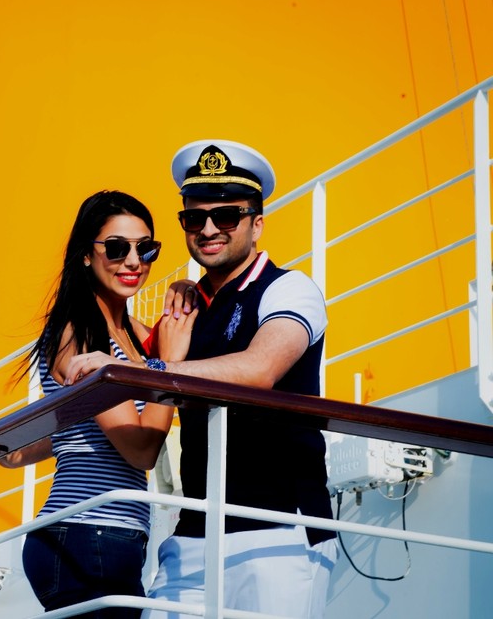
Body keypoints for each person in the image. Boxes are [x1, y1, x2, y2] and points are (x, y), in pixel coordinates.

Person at [65, 140, 336, 618]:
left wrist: (147, 370)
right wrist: (9, 449)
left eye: (227, 216)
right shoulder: (184, 312)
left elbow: (259, 369)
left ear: (257, 223)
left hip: (277, 528)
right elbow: (113, 367)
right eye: (194, 218)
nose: (209, 229)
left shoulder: (289, 289)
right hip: (193, 534)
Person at [0, 190, 195, 619]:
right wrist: (167, 365)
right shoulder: (79, 334)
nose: (134, 261)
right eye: (118, 248)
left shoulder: (134, 336)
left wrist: (187, 292)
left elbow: (79, 431)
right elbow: (140, 450)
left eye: (146, 248)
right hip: (87, 532)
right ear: (87, 255)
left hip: (111, 534)